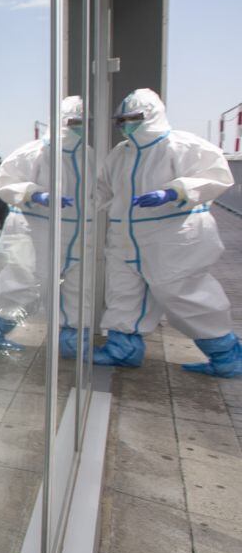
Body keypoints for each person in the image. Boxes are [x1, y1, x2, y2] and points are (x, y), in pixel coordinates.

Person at [95, 88, 241, 377]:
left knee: (185, 295)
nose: (127, 125)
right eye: (122, 120)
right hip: (125, 238)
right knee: (123, 293)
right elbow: (102, 189)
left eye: (133, 118)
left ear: (151, 115)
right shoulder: (120, 154)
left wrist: (174, 192)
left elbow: (217, 177)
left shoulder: (182, 145)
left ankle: (225, 354)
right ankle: (122, 349)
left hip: (173, 237)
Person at [0, 97, 85, 354]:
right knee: (24, 281)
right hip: (33, 226)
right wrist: (34, 194)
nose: (76, 127)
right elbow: (4, 182)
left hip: (74, 231)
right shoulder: (33, 152)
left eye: (81, 123)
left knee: (75, 286)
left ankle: (70, 339)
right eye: (71, 122)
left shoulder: (87, 156)